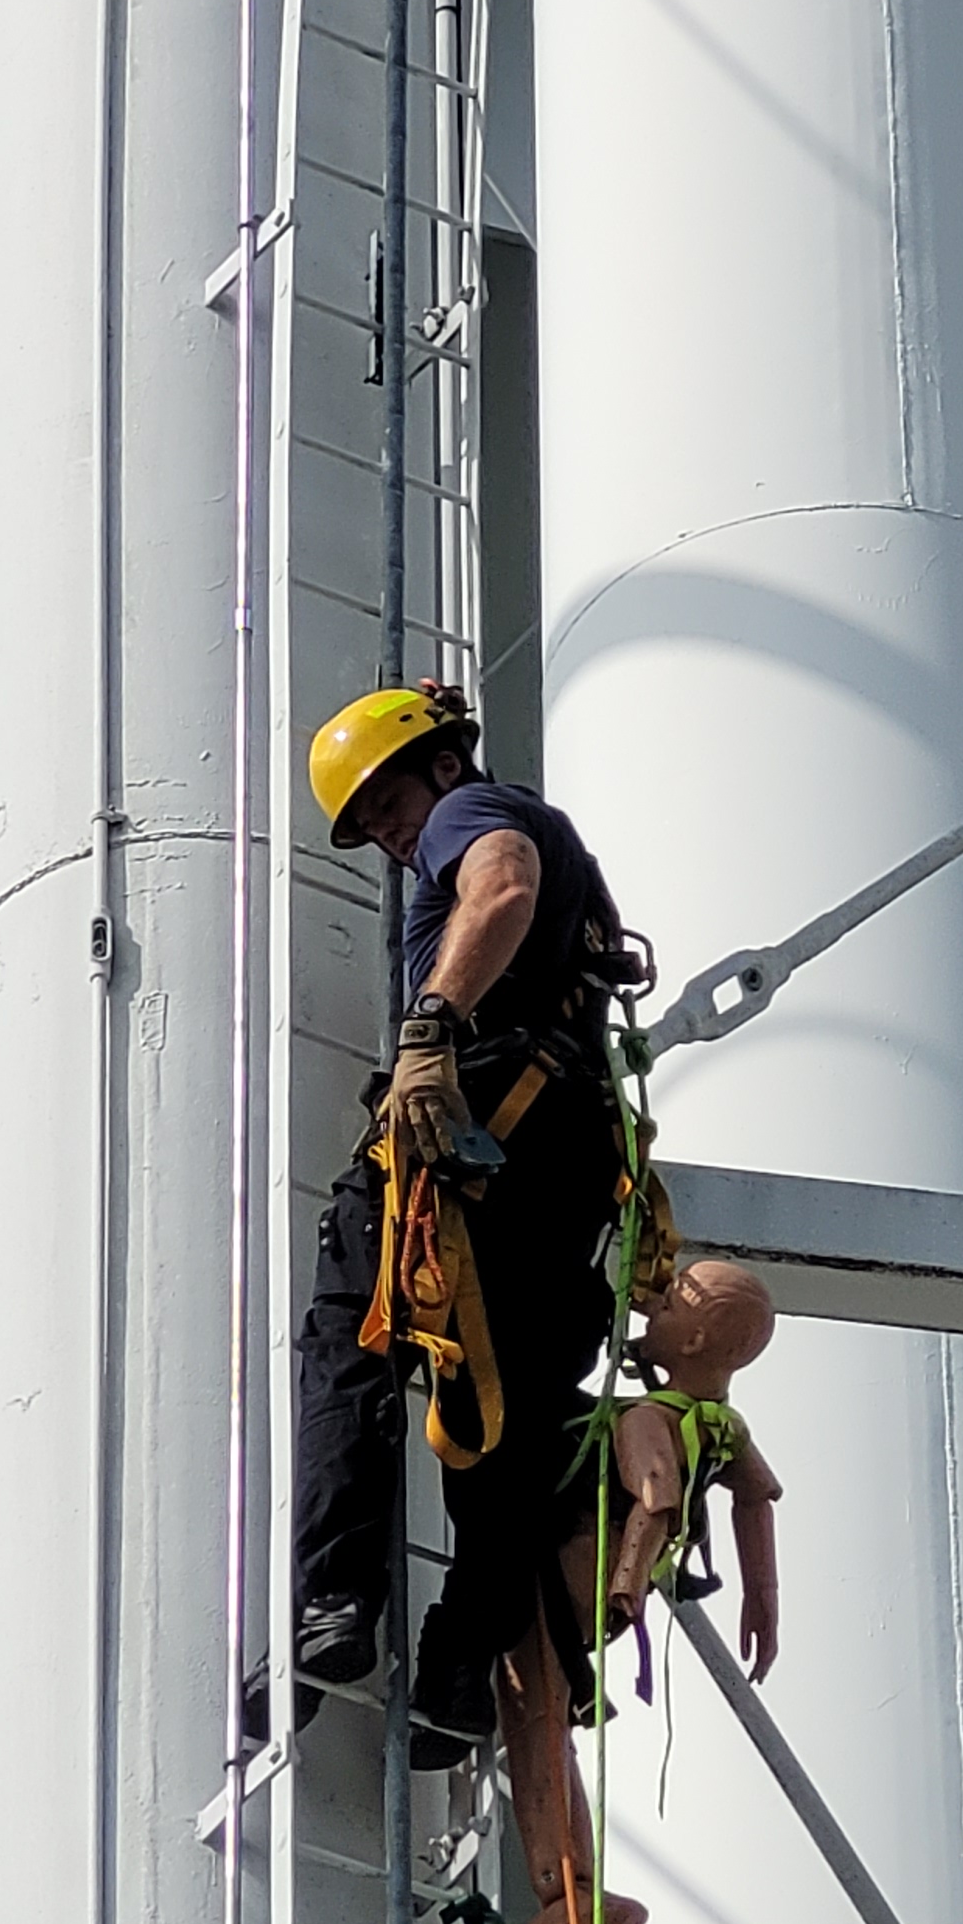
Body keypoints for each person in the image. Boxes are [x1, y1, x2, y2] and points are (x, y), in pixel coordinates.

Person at [287, 681, 640, 1751]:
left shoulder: (470, 817)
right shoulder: (555, 852)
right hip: (565, 1148)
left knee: (355, 1338)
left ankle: (335, 1598)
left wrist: (430, 1026)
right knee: (509, 1403)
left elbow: (501, 887)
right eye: (374, 831)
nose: (394, 840)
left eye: (387, 808)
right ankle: (458, 1670)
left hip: (479, 1116)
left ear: (442, 763)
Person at [492, 1256, 784, 1924]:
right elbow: (757, 1500)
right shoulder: (723, 1426)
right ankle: (581, 1889)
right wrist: (763, 1601)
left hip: (578, 1579)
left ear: (693, 1342)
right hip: (604, 1595)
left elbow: (653, 1501)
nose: (648, 1318)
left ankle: (575, 1891)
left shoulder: (648, 1419)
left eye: (664, 1315)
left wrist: (624, 1583)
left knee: (534, 1710)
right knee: (545, 1716)